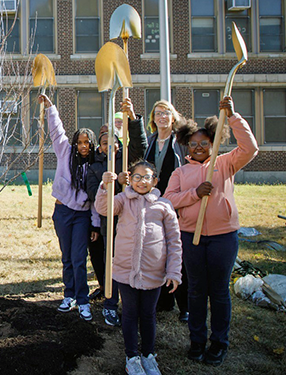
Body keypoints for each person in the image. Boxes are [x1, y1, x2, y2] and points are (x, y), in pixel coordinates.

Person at [164, 96, 258, 366]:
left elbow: (250, 148)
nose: (199, 148)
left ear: (213, 142)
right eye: (193, 144)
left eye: (204, 143)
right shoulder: (181, 173)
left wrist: (233, 116)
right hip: (190, 237)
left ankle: (219, 343)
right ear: (186, 147)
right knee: (195, 290)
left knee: (218, 292)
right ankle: (196, 340)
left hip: (222, 238)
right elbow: (169, 200)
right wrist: (195, 193)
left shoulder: (225, 163)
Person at [95, 161, 182, 375]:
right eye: (137, 177)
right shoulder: (123, 200)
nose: (141, 181)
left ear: (155, 181)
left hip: (153, 271)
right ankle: (132, 356)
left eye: (147, 177)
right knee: (130, 314)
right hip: (126, 270)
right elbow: (104, 208)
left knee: (148, 314)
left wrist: (173, 271)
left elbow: (174, 240)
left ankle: (148, 355)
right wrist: (105, 186)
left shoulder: (164, 205)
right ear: (129, 179)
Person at [86, 98, 148, 327]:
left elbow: (141, 146)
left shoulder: (127, 161)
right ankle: (110, 304)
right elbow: (93, 194)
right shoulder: (94, 167)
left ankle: (133, 305)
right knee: (111, 263)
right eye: (103, 143)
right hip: (108, 223)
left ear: (118, 144)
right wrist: (112, 184)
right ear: (99, 147)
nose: (107, 145)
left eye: (112, 141)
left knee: (132, 261)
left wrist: (132, 118)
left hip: (129, 221)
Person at [39, 94, 95, 321]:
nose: (83, 146)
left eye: (86, 143)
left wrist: (95, 223)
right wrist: (50, 108)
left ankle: (83, 300)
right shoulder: (65, 152)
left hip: (82, 216)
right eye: (80, 142)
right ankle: (68, 295)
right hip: (62, 212)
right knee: (67, 258)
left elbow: (95, 197)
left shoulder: (95, 164)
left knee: (79, 258)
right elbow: (56, 130)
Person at [135, 100, 190, 322]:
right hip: (154, 203)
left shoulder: (181, 142)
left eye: (166, 113)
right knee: (158, 252)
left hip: (175, 202)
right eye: (158, 113)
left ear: (173, 117)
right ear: (153, 118)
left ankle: (184, 304)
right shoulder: (150, 141)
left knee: (178, 254)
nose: (162, 117)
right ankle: (164, 300)